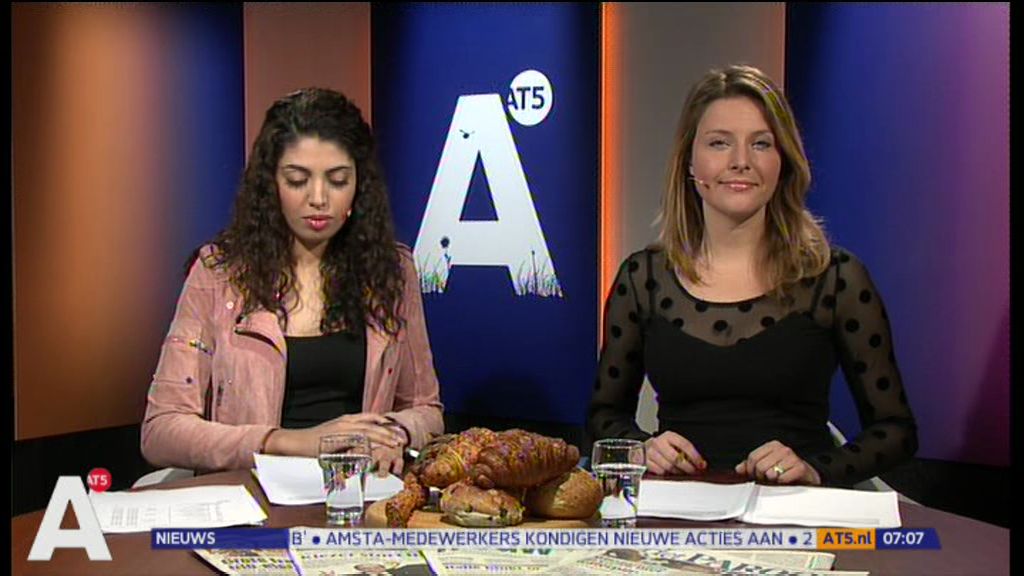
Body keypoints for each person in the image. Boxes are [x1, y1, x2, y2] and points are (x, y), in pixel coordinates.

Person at [588, 65, 917, 487]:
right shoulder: (642, 279)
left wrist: (815, 469)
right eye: (719, 143)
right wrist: (642, 447)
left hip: (796, 509)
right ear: (690, 162)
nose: (741, 161)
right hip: (676, 509)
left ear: (783, 162)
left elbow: (895, 431)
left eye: (761, 143)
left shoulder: (836, 278)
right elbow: (604, 416)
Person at [141, 88, 443, 475]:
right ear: (271, 184)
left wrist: (392, 433)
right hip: (250, 494)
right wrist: (286, 442)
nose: (318, 198)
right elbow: (162, 429)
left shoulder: (392, 271)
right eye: (298, 180)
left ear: (360, 185)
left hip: (356, 493)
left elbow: (425, 409)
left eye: (338, 180)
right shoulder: (218, 273)